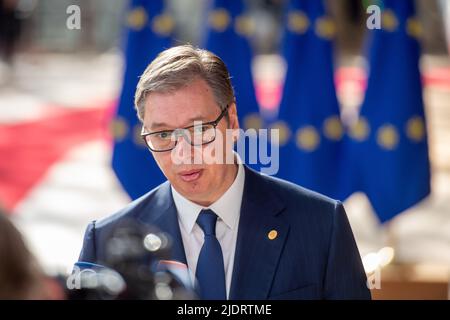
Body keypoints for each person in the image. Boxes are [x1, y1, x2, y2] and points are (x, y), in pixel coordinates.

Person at [78, 45, 371, 300]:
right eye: (164, 135)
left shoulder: (321, 225)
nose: (183, 153)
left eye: (199, 129)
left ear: (232, 122)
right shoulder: (103, 242)